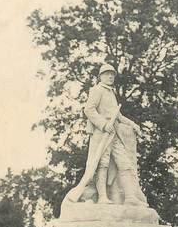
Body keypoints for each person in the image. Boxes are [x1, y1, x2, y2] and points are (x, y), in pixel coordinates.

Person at [63, 63, 148, 207]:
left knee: (125, 164)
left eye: (112, 74)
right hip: (101, 133)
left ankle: (130, 197)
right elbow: (89, 110)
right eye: (107, 74)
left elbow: (118, 116)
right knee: (101, 164)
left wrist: (133, 124)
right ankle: (102, 196)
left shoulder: (111, 93)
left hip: (114, 133)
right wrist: (103, 124)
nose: (110, 76)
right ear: (100, 76)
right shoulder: (97, 90)